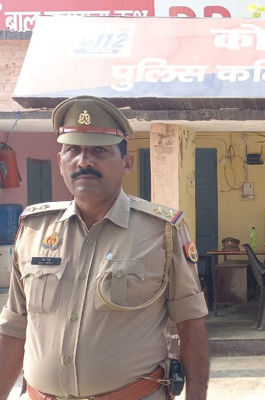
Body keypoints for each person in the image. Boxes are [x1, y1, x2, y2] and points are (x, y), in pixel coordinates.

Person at [0, 96, 210, 400]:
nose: (84, 161)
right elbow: (14, 327)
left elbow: (191, 325)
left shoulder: (162, 231)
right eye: (73, 150)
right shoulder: (34, 228)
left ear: (127, 163)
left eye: (99, 150)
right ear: (60, 161)